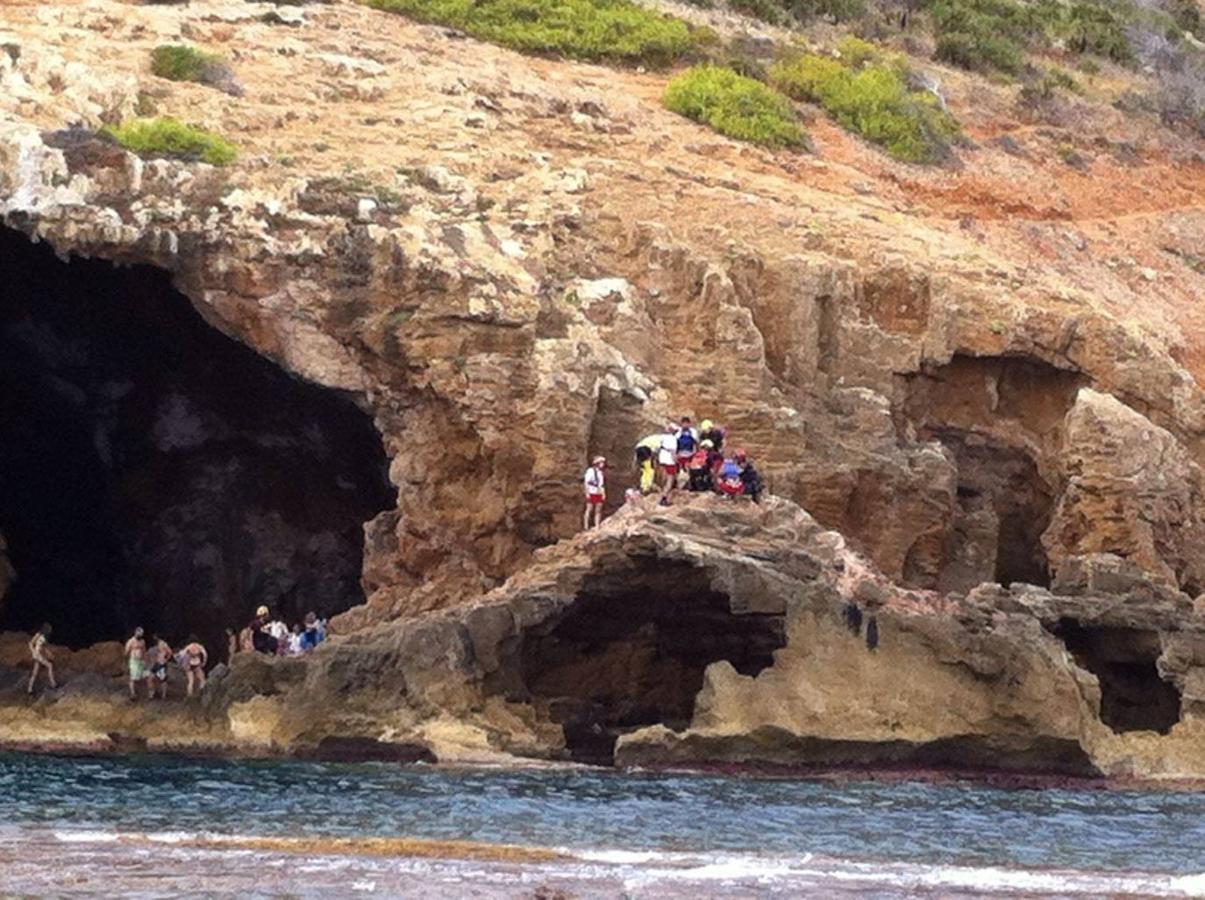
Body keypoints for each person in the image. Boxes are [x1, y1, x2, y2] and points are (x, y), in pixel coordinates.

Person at [27, 623, 56, 694]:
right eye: (50, 629)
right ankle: (53, 684)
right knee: (50, 666)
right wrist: (33, 652)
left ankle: (29, 689)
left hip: (39, 654)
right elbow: (30, 643)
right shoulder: (39, 634)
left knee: (35, 672)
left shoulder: (45, 637)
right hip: (37, 654)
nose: (50, 630)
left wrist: (50, 654)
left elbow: (44, 647)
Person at [656, 423, 679, 505]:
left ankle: (662, 493)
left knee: (663, 478)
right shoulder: (673, 439)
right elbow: (673, 452)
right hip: (669, 460)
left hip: (662, 458)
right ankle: (664, 497)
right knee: (670, 479)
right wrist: (676, 461)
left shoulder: (662, 437)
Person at [124, 627, 149, 701]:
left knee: (145, 676)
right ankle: (133, 693)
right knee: (133, 678)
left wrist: (145, 660)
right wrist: (126, 662)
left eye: (141, 634)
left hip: (141, 661)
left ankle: (148, 693)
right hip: (134, 661)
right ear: (135, 632)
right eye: (139, 633)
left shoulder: (143, 641)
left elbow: (144, 651)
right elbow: (126, 652)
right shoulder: (131, 641)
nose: (140, 635)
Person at [583, 455, 607, 530]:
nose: (603, 464)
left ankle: (597, 525)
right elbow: (586, 482)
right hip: (591, 492)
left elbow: (601, 485)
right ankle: (586, 526)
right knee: (589, 509)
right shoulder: (590, 471)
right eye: (601, 463)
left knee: (598, 509)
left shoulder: (600, 473)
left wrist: (603, 493)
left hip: (598, 492)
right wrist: (587, 493)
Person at [148, 635, 173, 700]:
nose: (154, 638)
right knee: (151, 678)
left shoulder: (163, 643)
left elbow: (170, 652)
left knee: (162, 680)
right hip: (156, 663)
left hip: (161, 664)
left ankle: (163, 695)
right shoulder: (155, 644)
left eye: (155, 636)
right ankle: (152, 694)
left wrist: (166, 659)